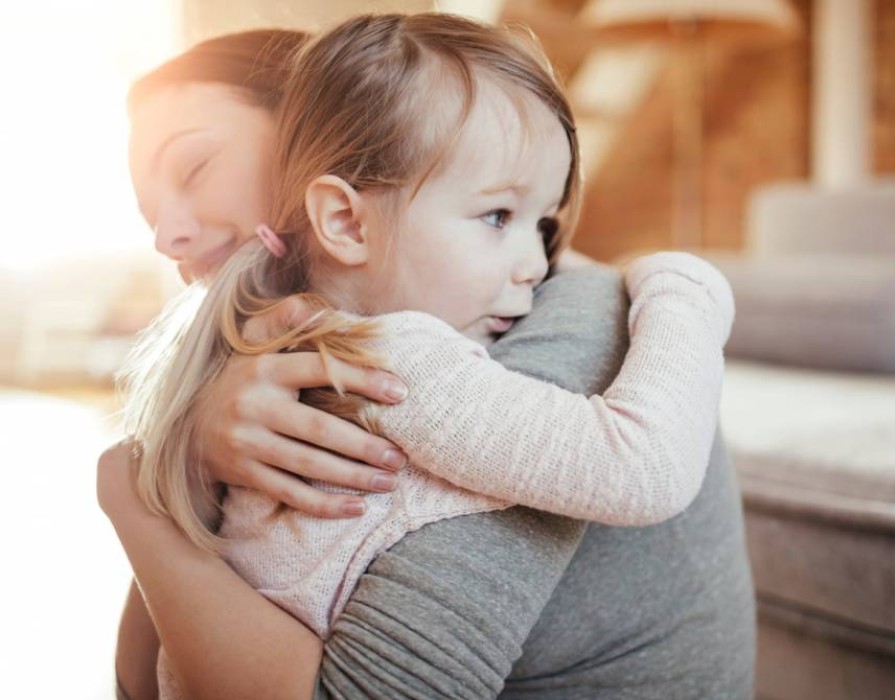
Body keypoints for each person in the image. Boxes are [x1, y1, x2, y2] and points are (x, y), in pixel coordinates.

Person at [101, 16, 756, 700]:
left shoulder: (535, 324)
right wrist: (187, 458)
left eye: (193, 167)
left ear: (319, 128)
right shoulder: (286, 368)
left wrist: (132, 492)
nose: (165, 238)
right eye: (149, 213)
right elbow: (137, 681)